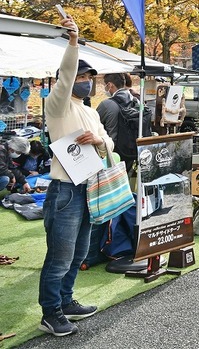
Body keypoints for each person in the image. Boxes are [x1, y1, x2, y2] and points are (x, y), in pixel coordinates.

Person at [38, 17, 114, 336]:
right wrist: (73, 42)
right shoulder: (57, 105)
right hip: (65, 191)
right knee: (60, 255)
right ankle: (50, 311)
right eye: (81, 76)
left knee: (80, 252)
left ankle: (66, 301)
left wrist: (98, 141)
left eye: (89, 76)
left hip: (89, 189)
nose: (86, 80)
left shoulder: (92, 111)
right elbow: (66, 75)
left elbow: (109, 145)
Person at [96, 72, 137, 174]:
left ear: (109, 85)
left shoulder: (107, 104)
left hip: (111, 154)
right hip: (131, 152)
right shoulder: (136, 101)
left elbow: (92, 124)